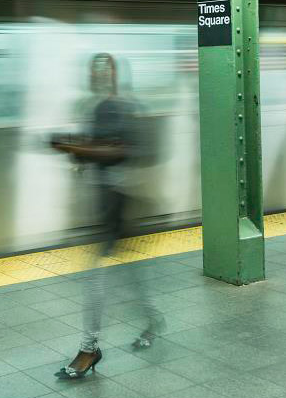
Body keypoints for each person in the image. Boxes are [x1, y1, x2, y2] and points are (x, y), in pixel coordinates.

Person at [50, 52, 163, 380]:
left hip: (119, 200)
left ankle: (89, 348)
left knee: (95, 275)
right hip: (105, 201)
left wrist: (73, 148)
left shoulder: (123, 108)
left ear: (117, 75)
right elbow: (97, 146)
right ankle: (153, 320)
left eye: (105, 69)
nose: (98, 74)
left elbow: (118, 150)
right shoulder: (95, 106)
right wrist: (75, 148)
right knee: (131, 274)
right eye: (94, 69)